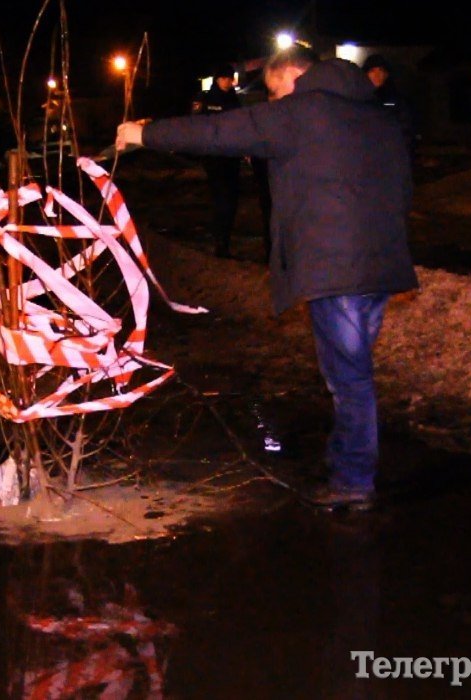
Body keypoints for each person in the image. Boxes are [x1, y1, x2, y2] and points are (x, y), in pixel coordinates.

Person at [117, 46, 418, 510]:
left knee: (349, 379)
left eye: (275, 91)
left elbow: (220, 130)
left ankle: (353, 481)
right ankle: (346, 461)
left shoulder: (301, 111)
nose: (274, 102)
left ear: (293, 76)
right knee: (351, 372)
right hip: (378, 262)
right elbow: (402, 187)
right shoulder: (375, 115)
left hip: (337, 268)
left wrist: (145, 133)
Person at [193, 63, 244, 258]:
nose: (227, 82)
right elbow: (196, 125)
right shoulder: (205, 99)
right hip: (214, 158)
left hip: (231, 158)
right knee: (221, 200)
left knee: (231, 201)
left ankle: (225, 240)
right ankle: (220, 243)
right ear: (217, 79)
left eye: (229, 78)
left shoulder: (234, 100)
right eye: (224, 78)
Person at [361, 53, 418, 162]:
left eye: (381, 71)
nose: (377, 75)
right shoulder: (358, 97)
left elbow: (406, 130)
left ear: (386, 74)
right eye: (373, 71)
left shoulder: (396, 100)